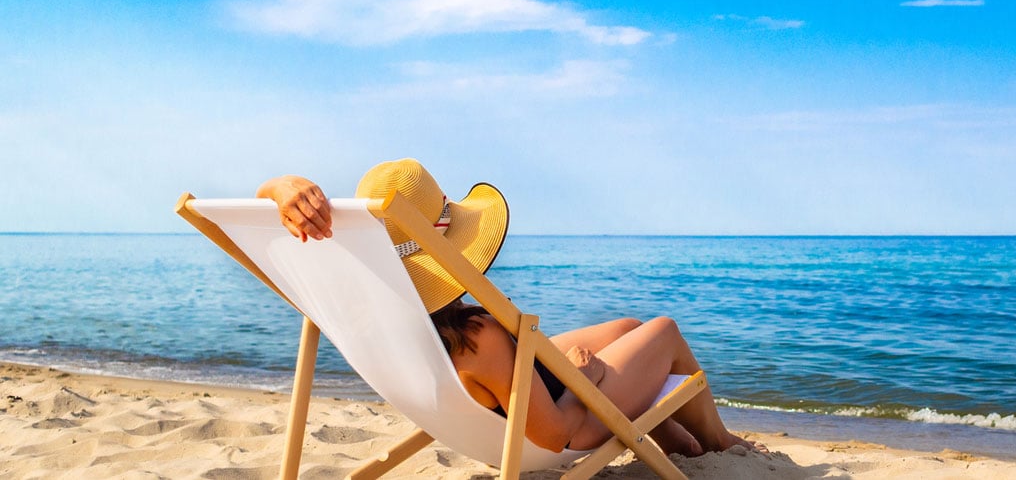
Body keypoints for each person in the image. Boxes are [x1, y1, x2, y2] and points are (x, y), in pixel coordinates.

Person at [256, 159, 762, 456]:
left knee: (629, 328)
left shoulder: (374, 307)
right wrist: (595, 382)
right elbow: (557, 435)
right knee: (664, 331)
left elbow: (260, 212)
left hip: (494, 392)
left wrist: (284, 188)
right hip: (561, 419)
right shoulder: (481, 335)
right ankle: (719, 442)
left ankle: (680, 442)